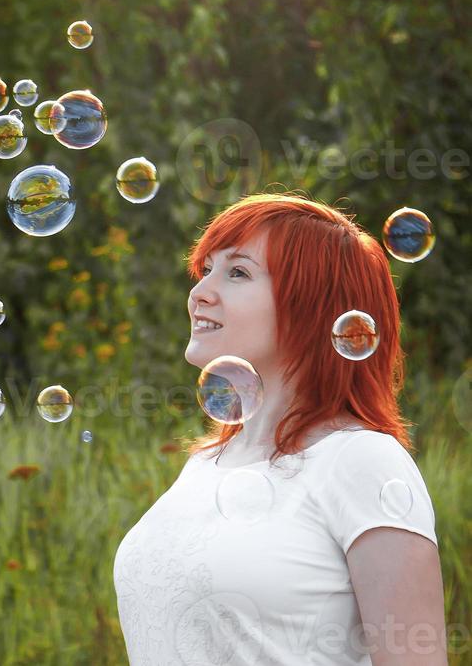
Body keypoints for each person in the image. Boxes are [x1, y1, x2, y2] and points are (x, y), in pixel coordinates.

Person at [113, 192, 448, 665]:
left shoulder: (362, 461)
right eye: (206, 269)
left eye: (238, 272)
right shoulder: (204, 465)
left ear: (311, 307)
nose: (201, 292)